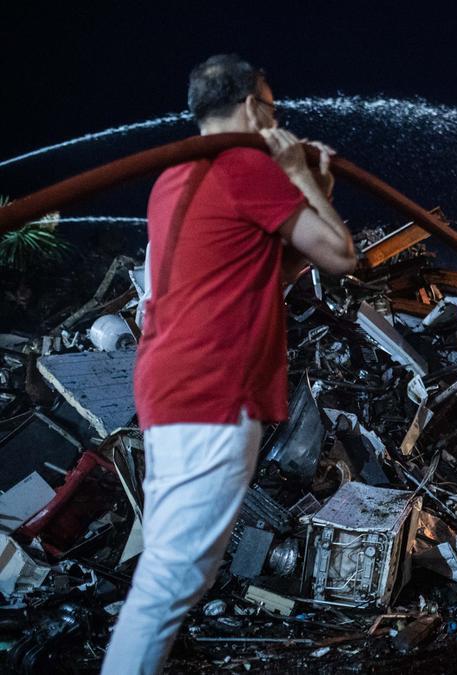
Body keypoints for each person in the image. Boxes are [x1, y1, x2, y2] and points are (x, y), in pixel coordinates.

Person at [104, 54, 356, 675]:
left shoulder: (172, 179)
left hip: (172, 384)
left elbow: (279, 269)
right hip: (214, 388)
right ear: (251, 108)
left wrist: (312, 188)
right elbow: (343, 255)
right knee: (173, 577)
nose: (277, 119)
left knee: (174, 565)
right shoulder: (246, 166)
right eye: (272, 108)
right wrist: (295, 168)